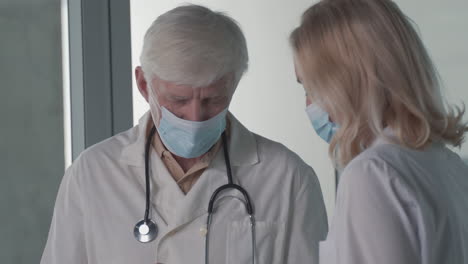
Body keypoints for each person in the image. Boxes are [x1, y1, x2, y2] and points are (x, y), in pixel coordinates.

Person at [41, 4, 328, 264]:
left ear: (234, 85)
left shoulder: (287, 177)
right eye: (178, 100)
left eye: (213, 100)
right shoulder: (92, 173)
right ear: (143, 84)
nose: (195, 117)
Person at [290, 0, 468, 263]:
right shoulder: (448, 164)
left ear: (346, 83)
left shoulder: (372, 174)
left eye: (311, 88)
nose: (308, 105)